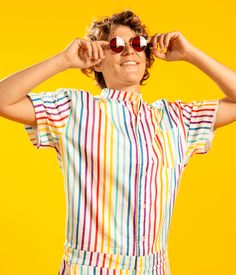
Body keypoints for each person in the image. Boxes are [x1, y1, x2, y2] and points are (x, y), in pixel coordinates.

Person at [0, 9, 236, 275]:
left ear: (147, 56)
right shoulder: (73, 109)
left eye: (137, 44)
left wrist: (191, 54)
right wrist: (64, 60)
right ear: (96, 62)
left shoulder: (176, 119)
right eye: (116, 45)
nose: (129, 51)